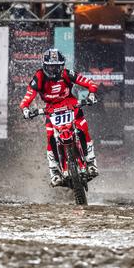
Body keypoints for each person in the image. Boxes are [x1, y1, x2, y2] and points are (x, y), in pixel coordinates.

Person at [19, 48, 100, 185]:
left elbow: (89, 83)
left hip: (71, 105)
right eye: (50, 66)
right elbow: (27, 97)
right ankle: (54, 172)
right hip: (51, 109)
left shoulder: (67, 74)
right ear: (44, 65)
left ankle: (91, 162)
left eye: (56, 67)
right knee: (50, 137)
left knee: (83, 128)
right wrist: (26, 109)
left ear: (61, 66)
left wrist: (91, 94)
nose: (53, 70)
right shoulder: (39, 77)